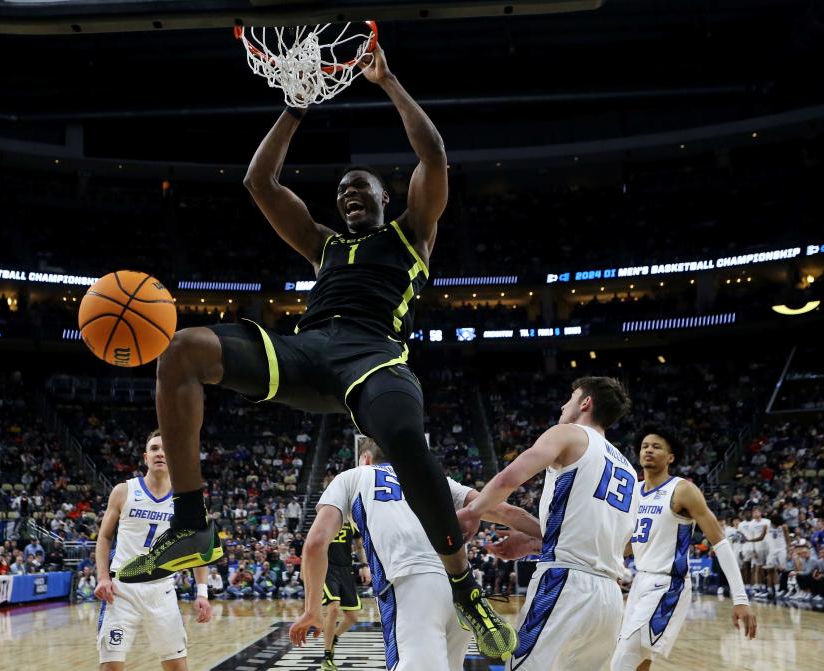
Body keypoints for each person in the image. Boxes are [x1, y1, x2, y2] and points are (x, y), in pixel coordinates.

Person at [116, 43, 514, 659]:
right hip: (307, 352)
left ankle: (462, 585)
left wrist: (387, 80)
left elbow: (433, 154)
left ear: (387, 200)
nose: (351, 194)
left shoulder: (412, 234)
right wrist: (296, 105)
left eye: (363, 188)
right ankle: (192, 525)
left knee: (407, 441)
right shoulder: (323, 246)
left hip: (375, 355)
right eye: (344, 190)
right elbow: (259, 181)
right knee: (181, 350)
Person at [291, 438, 539, 669]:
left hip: (409, 584)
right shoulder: (435, 478)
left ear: (365, 458)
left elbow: (316, 543)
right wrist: (553, 539)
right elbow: (506, 513)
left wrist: (312, 610)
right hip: (461, 586)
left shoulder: (353, 476)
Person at [457, 377, 638, 671]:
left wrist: (474, 510)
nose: (564, 405)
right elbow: (624, 545)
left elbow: (509, 479)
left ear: (585, 402)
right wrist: (537, 543)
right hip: (610, 599)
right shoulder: (629, 471)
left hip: (565, 583)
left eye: (571, 397)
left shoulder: (568, 434)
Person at [610, 428, 757, 671]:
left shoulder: (682, 490)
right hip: (640, 583)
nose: (648, 449)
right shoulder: (634, 492)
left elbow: (719, 540)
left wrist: (740, 599)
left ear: (671, 457)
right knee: (640, 660)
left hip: (669, 585)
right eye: (645, 445)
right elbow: (629, 545)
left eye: (657, 446)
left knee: (623, 659)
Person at [94, 430, 212, 670]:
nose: (161, 454)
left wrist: (202, 593)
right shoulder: (123, 491)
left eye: (166, 449)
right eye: (155, 449)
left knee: (177, 666)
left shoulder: (189, 501)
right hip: (121, 589)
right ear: (146, 457)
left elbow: (200, 549)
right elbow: (104, 537)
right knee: (111, 666)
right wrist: (103, 577)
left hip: (162, 591)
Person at [319, 518, 371, 670]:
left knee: (352, 617)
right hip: (327, 569)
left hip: (346, 570)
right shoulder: (324, 517)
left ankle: (333, 636)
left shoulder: (351, 522)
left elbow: (359, 546)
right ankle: (327, 656)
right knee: (333, 608)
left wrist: (364, 565)